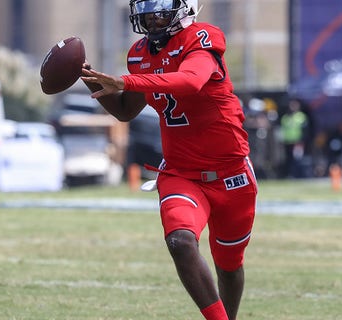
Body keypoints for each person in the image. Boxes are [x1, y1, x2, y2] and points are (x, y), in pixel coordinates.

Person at [79, 1, 257, 319]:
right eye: (144, 7)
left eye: (158, 6)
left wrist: (127, 81)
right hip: (181, 172)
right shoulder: (139, 54)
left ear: (184, 7)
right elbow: (124, 110)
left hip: (231, 173)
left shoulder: (203, 36)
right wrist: (87, 77)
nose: (150, 15)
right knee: (181, 241)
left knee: (229, 266)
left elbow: (190, 80)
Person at [280, 99, 308, 178]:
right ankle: (290, 175)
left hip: (297, 142)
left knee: (297, 159)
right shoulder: (285, 117)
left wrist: (302, 140)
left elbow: (305, 130)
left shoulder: (301, 117)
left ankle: (299, 175)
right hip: (287, 142)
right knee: (288, 159)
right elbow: (282, 130)